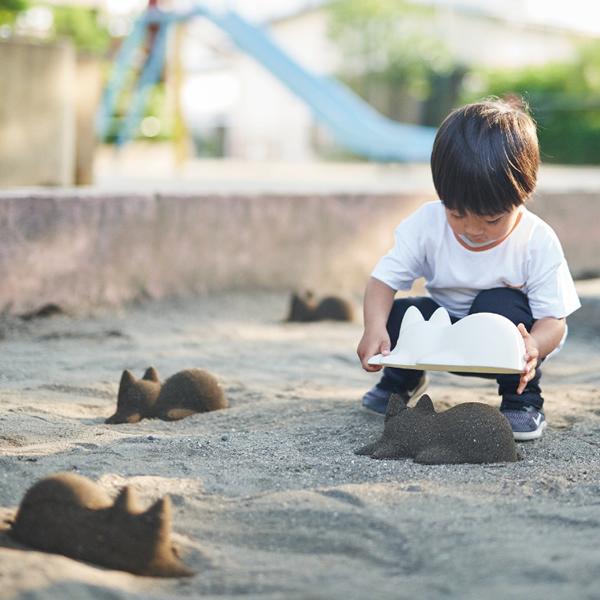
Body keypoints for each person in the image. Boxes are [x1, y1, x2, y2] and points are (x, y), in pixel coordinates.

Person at [357, 98, 580, 441]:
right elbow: (382, 281)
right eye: (457, 214)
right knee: (398, 313)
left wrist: (533, 345)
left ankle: (522, 400)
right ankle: (400, 380)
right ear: (441, 194)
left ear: (524, 194)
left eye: (492, 219)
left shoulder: (536, 240)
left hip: (505, 346)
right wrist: (373, 328)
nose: (472, 229)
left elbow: (554, 320)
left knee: (501, 305)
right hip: (444, 334)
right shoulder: (427, 224)